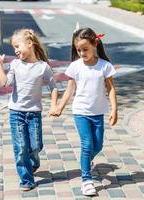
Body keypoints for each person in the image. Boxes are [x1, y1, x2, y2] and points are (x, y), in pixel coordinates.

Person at [50, 27, 118, 196]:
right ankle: (86, 180)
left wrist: (115, 109)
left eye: (84, 49)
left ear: (95, 44)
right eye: (78, 50)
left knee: (98, 145)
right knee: (87, 145)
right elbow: (69, 90)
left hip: (98, 113)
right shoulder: (75, 67)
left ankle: (86, 161)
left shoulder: (105, 66)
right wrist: (59, 107)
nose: (81, 53)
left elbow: (111, 90)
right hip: (80, 112)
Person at [0, 29, 58, 191]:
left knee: (35, 146)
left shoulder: (43, 67)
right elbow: (4, 83)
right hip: (16, 113)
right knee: (21, 148)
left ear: (30, 43)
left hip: (34, 113)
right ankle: (27, 180)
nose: (15, 50)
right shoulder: (15, 64)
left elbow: (53, 87)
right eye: (14, 47)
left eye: (17, 46)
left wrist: (55, 105)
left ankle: (34, 160)